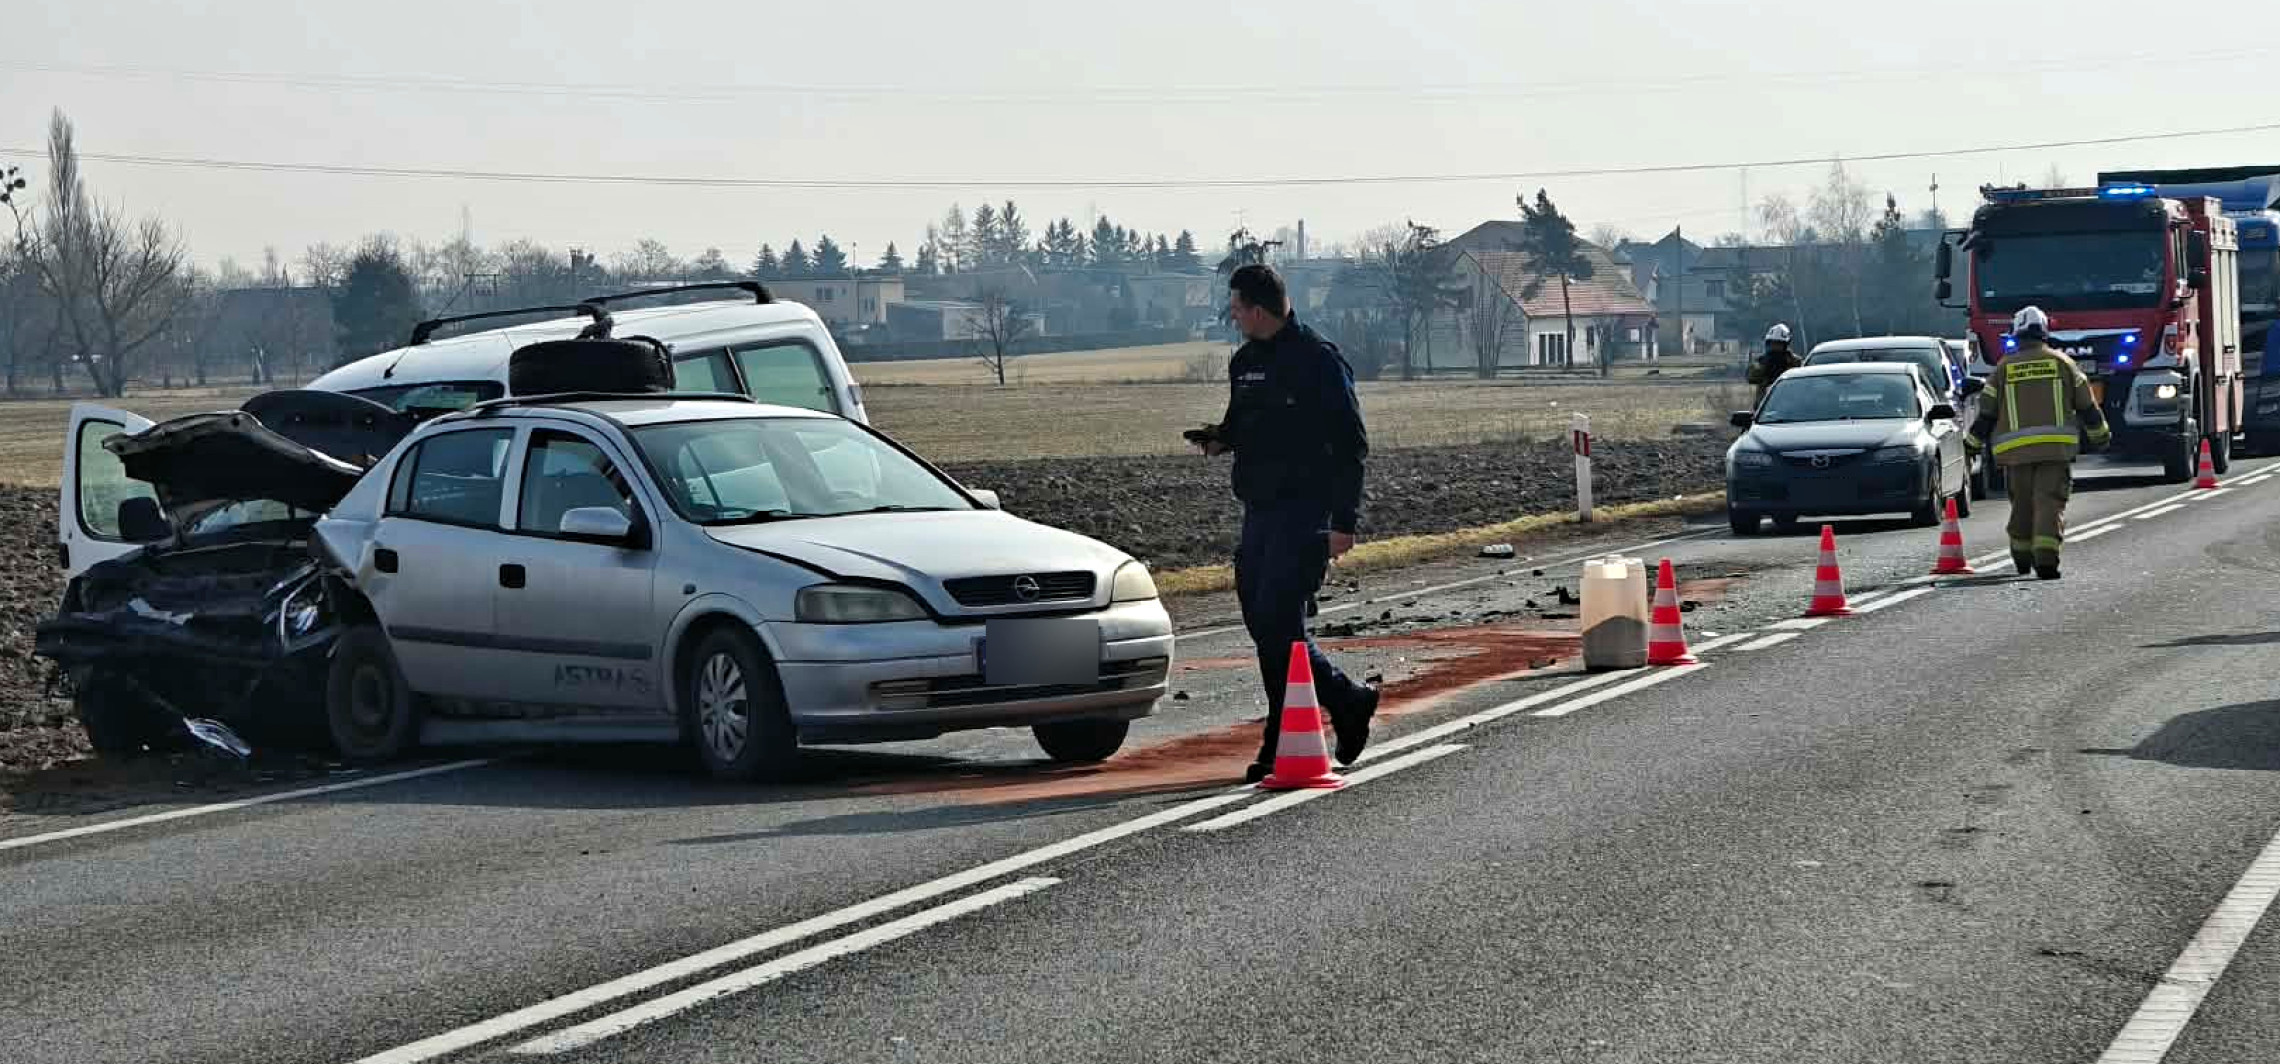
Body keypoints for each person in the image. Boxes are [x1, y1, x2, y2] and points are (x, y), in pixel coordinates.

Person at [1191, 264, 1378, 782]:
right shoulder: (1245, 362)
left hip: (1306, 513)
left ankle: (1287, 735)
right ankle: (1346, 700)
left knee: (1279, 622)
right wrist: (1218, 438)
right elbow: (1242, 426)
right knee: (1263, 624)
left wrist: (1345, 520)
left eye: (1235, 309)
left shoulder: (1318, 360)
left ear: (1257, 308)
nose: (1232, 318)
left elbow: (1351, 445)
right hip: (1260, 511)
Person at [1966, 305, 2110, 580]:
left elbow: (1986, 413)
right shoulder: (2062, 363)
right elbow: (2087, 406)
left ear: (2016, 334)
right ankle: (2045, 560)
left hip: (2015, 454)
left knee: (2021, 503)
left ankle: (2021, 556)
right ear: (2045, 332)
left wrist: (1972, 445)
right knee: (2048, 502)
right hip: (2054, 451)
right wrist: (2100, 436)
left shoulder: (2003, 368)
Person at [1747, 324, 1800, 404]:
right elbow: (1751, 377)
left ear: (1785, 345)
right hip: (1765, 405)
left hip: (1790, 403)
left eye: (1778, 344)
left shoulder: (1795, 362)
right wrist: (1764, 368)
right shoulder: (1761, 361)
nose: (1775, 347)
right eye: (1772, 344)